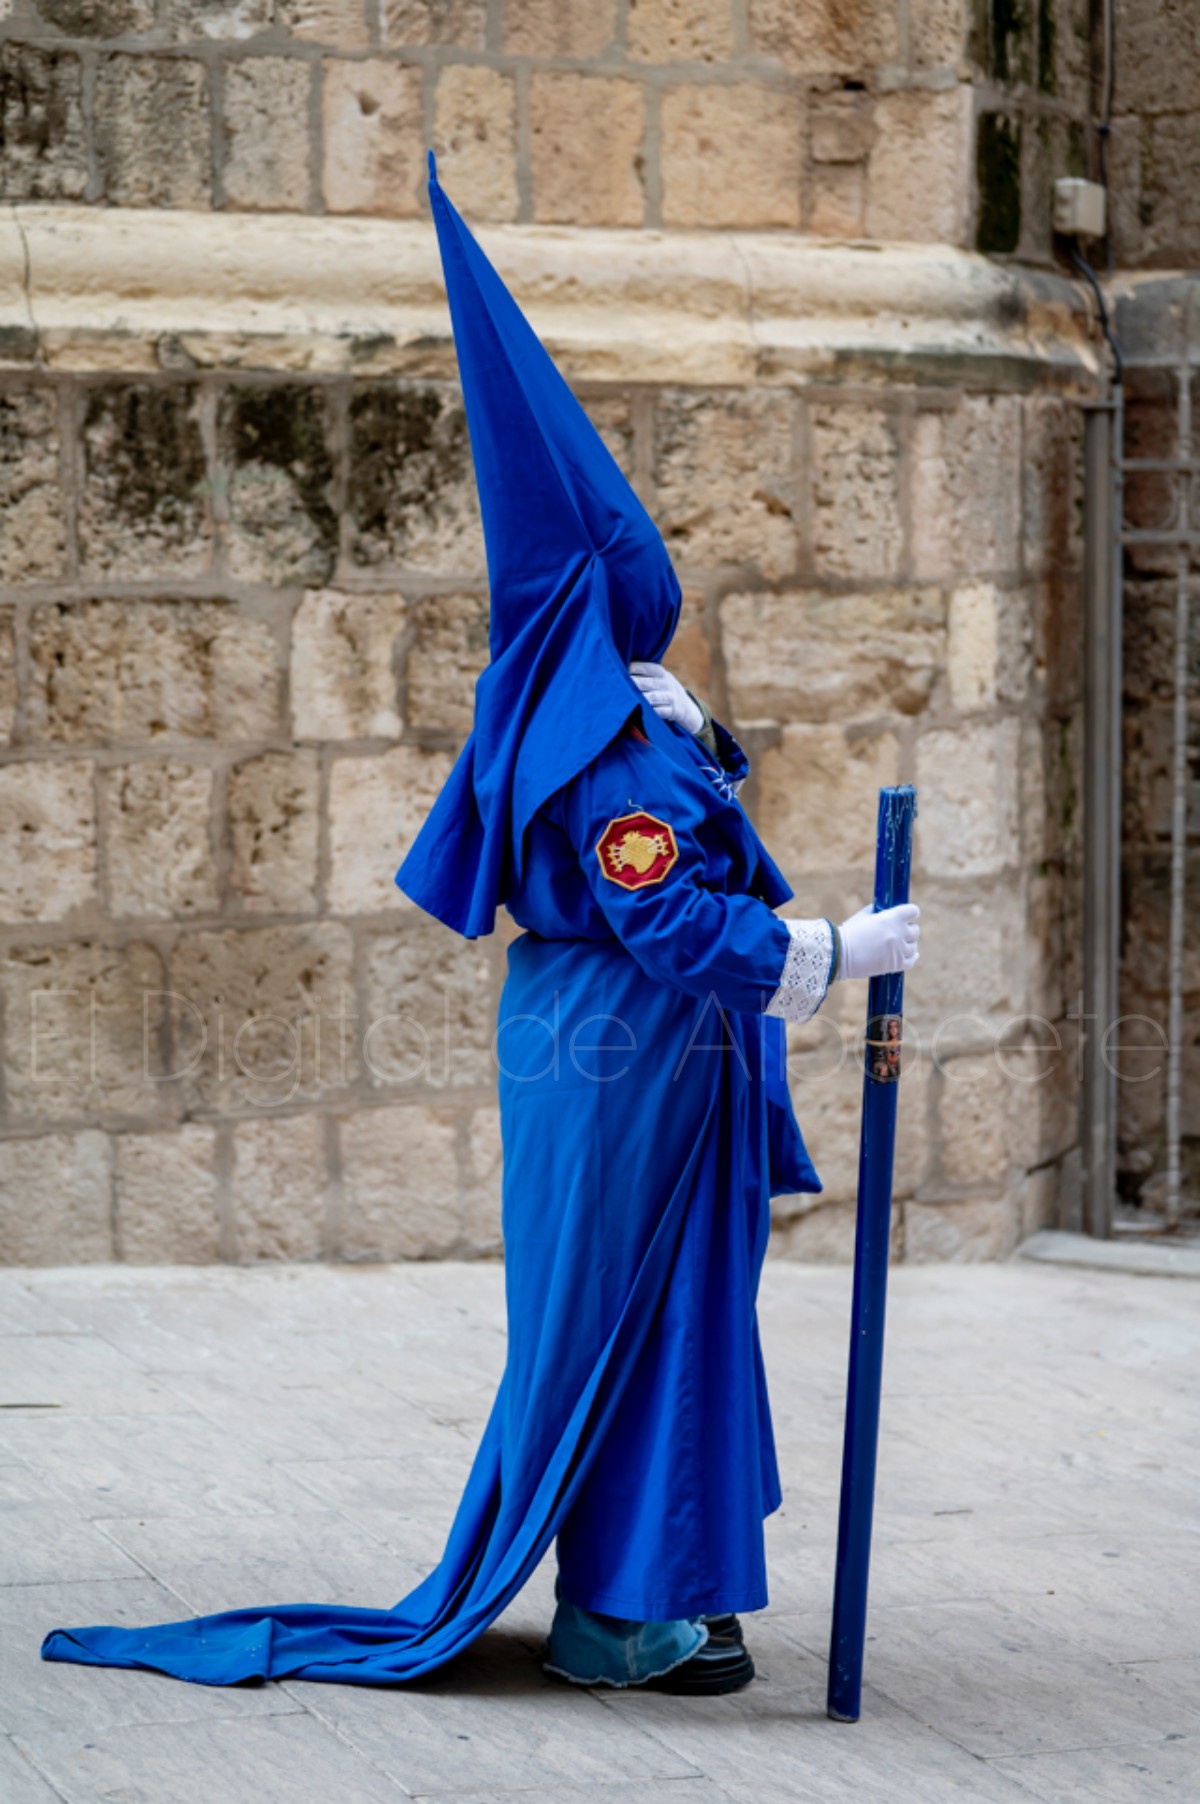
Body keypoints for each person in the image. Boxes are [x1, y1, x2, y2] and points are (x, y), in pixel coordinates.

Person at [39, 157, 919, 1696]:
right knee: (634, 1328)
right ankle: (617, 1620)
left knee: (659, 1320)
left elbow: (665, 847)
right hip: (633, 1053)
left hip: (627, 1051)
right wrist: (831, 955)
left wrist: (703, 743)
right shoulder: (607, 748)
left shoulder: (607, 723)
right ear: (609, 592)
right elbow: (666, 912)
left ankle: (657, 1590)